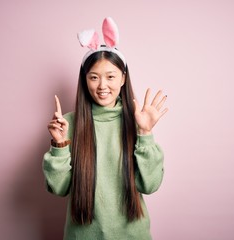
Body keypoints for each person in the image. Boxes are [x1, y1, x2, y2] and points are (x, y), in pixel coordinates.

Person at [43, 17, 168, 240]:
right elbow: (59, 189)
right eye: (94, 77)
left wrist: (145, 134)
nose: (102, 86)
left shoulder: (136, 121)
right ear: (84, 80)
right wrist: (59, 145)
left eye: (110, 76)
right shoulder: (68, 124)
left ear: (123, 78)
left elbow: (149, 185)